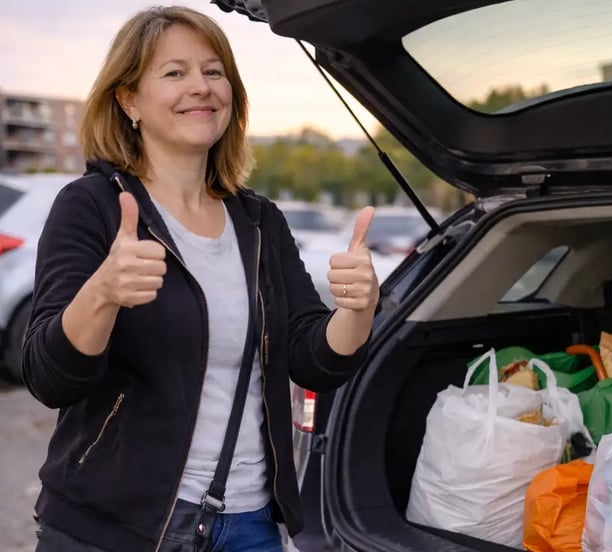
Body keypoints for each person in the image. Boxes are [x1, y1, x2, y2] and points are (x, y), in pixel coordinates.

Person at [22, 6, 378, 552]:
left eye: (215, 72)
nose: (201, 87)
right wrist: (103, 292)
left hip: (250, 523)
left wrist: (357, 310)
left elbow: (311, 358)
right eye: (174, 73)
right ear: (129, 100)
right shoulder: (91, 207)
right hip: (118, 526)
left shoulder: (259, 221)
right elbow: (51, 379)